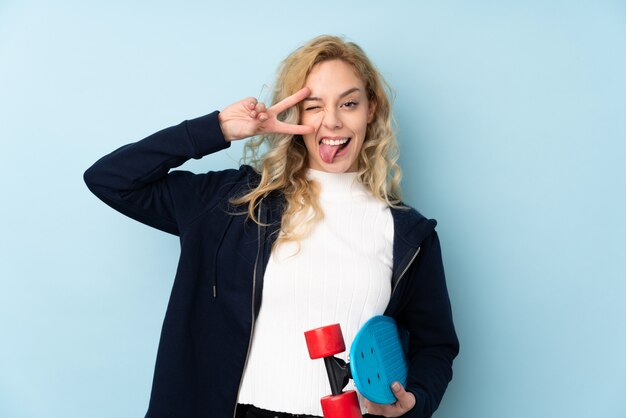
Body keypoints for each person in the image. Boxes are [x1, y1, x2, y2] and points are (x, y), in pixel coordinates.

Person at [84, 35, 459, 418]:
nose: (331, 121)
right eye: (314, 106)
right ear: (296, 116)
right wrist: (219, 129)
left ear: (370, 110)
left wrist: (415, 402)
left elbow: (436, 346)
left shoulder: (408, 234)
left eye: (349, 103)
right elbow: (110, 179)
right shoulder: (234, 202)